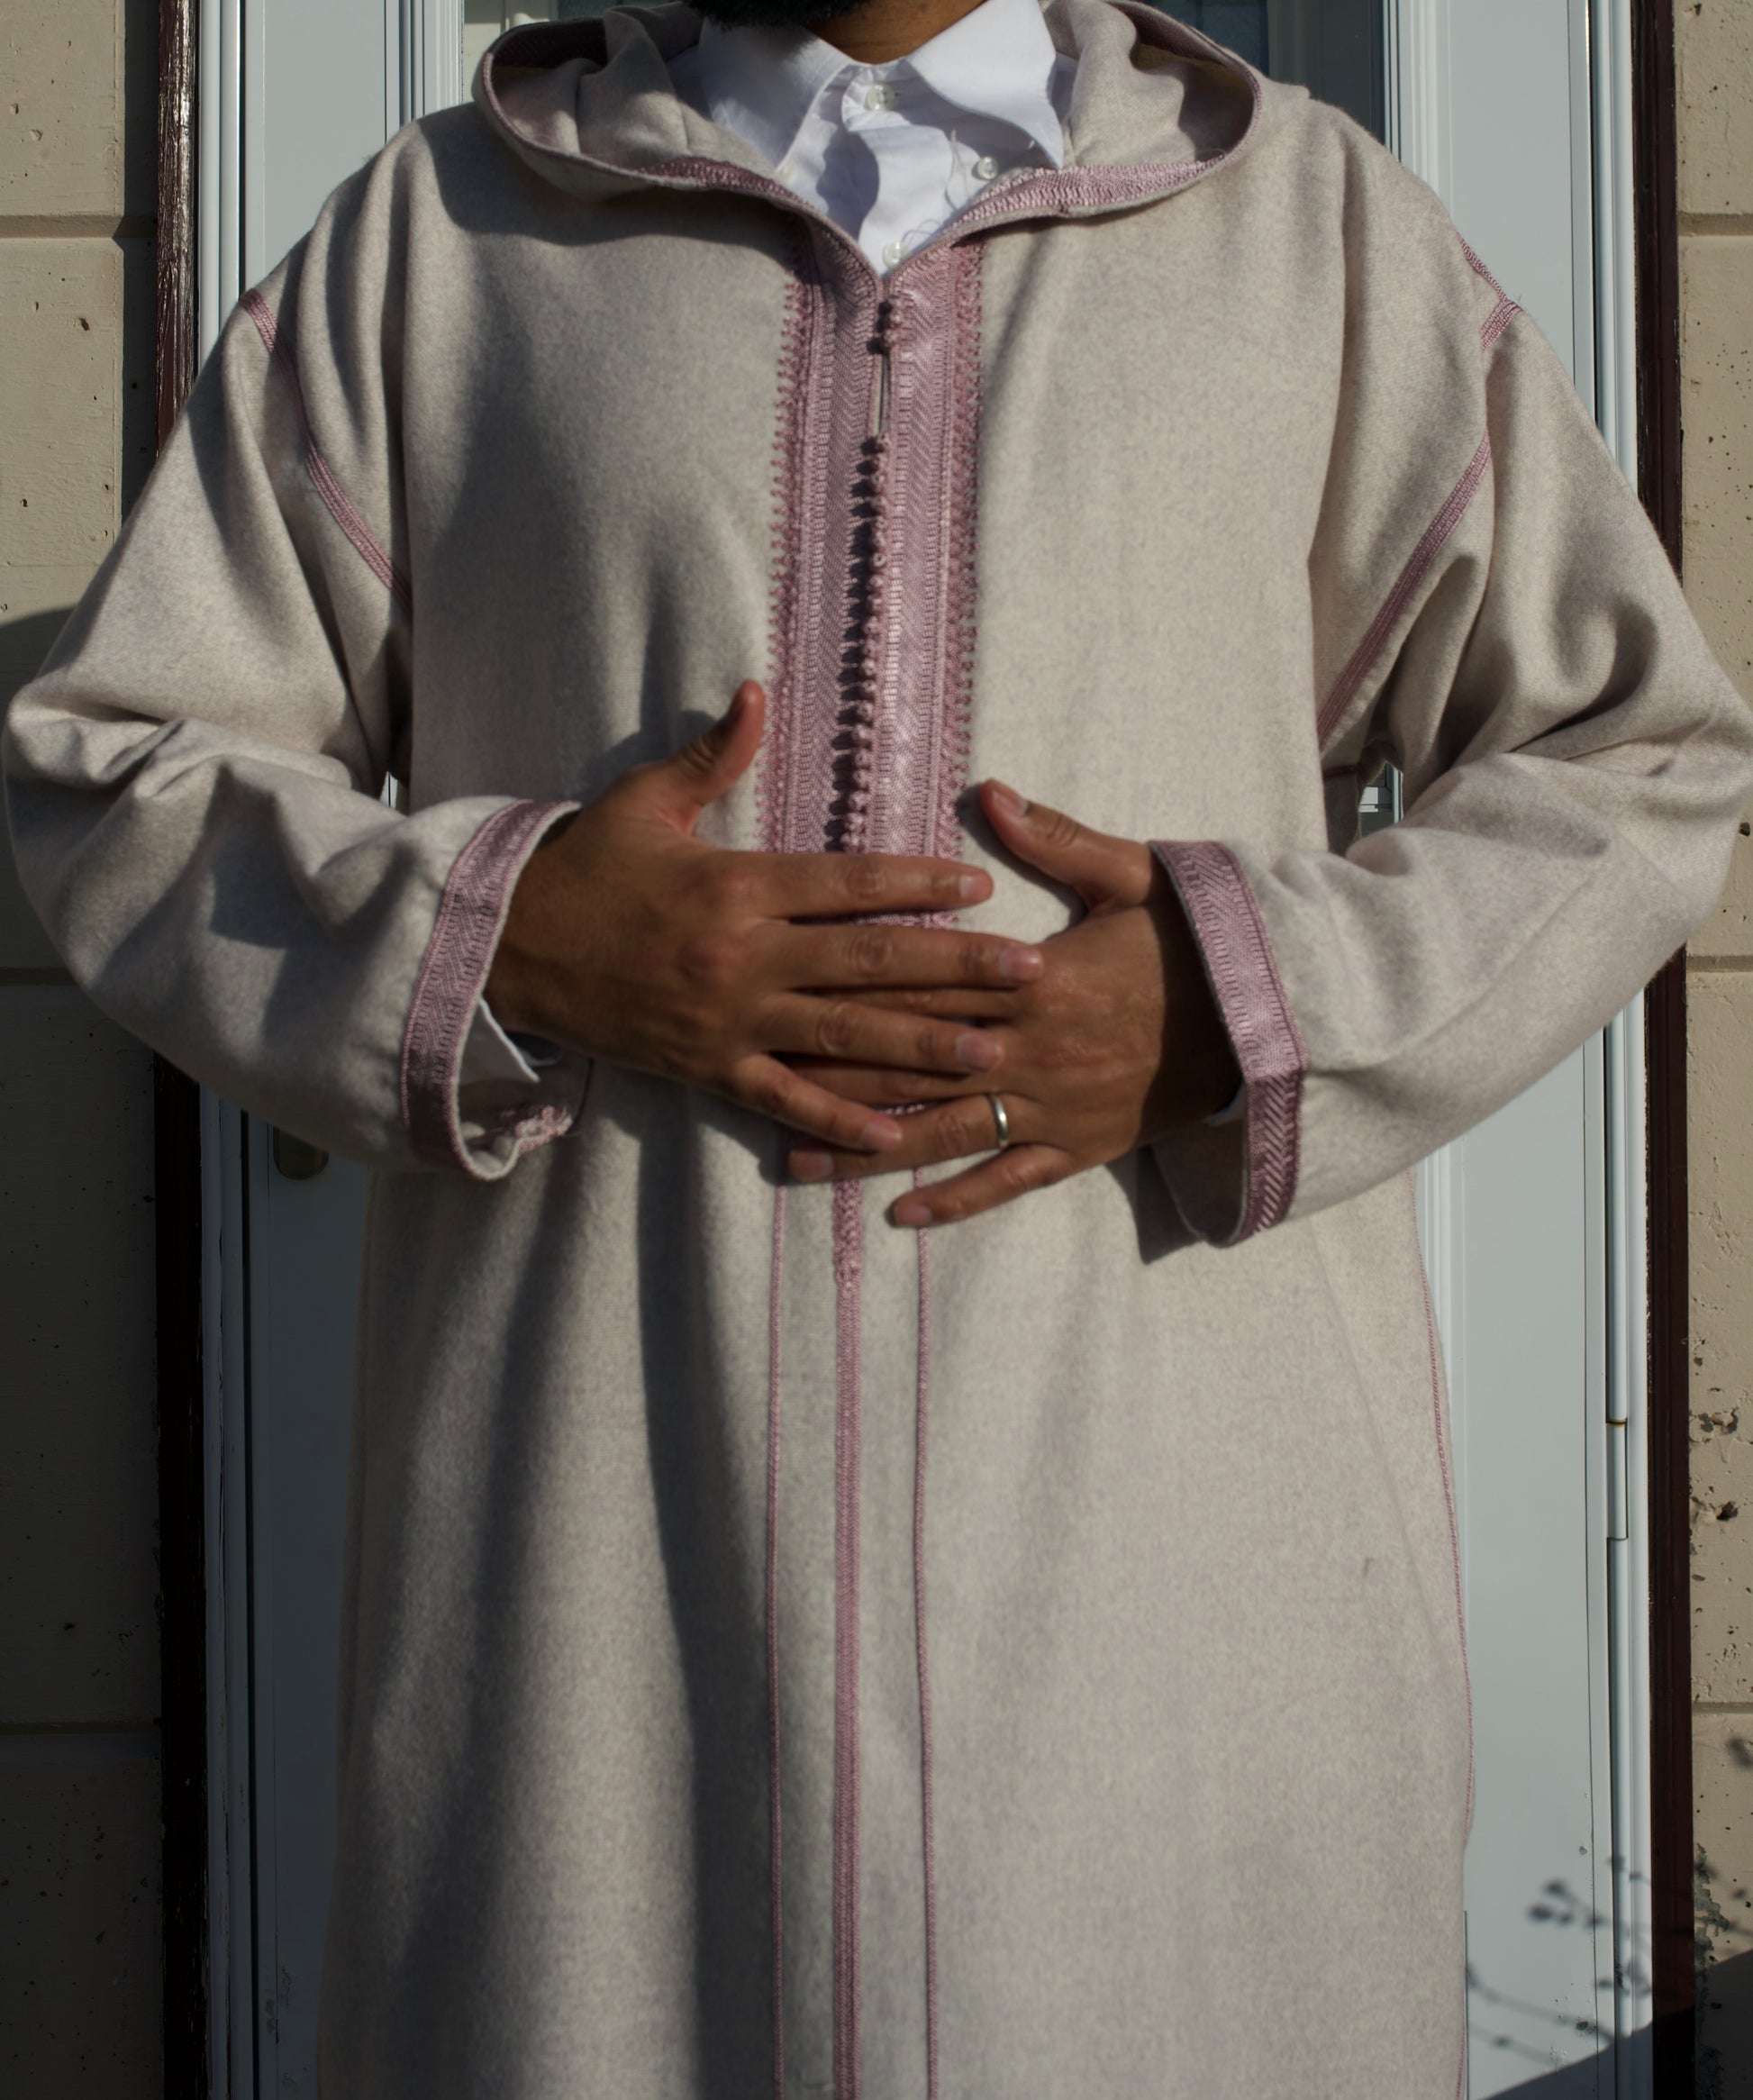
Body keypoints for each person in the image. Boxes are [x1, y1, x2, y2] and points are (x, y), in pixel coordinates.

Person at [6, 0, 1750, 2089]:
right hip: (603, 1620)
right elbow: (116, 760)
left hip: (1171, 1595)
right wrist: (509, 933)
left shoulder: (1305, 234)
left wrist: (1226, 1003)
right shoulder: (447, 241)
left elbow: (1630, 755)